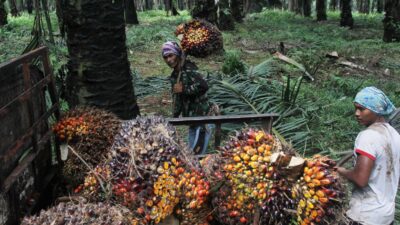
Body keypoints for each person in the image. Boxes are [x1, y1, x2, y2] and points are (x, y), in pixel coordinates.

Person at [336, 86, 400, 225]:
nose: (357, 113)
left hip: (365, 215)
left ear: (377, 110)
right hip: (386, 216)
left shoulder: (368, 136)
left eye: (362, 109)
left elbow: (361, 179)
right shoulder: (395, 135)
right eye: (355, 108)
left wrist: (340, 171)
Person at [161, 41, 215, 154]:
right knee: (191, 155)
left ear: (177, 54)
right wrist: (173, 119)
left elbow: (203, 86)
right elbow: (178, 99)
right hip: (192, 121)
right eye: (165, 57)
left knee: (196, 156)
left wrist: (184, 89)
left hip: (203, 119)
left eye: (171, 55)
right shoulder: (174, 76)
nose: (168, 60)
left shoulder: (189, 68)